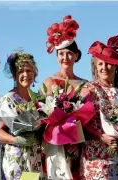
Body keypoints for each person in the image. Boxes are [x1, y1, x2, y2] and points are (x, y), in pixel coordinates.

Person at [79, 35, 118, 180]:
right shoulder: (89, 89)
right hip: (96, 155)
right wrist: (101, 136)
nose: (104, 68)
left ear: (115, 66)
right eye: (100, 64)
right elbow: (80, 121)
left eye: (108, 63)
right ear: (95, 66)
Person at [42, 15, 87, 180]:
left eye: (69, 53)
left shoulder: (85, 84)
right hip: (55, 144)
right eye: (61, 54)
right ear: (56, 56)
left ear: (76, 56)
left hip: (79, 145)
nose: (65, 58)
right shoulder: (49, 81)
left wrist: (77, 140)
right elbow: (46, 115)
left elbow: (87, 116)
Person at [0, 49, 43, 180]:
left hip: (35, 160)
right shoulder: (8, 99)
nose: (25, 74)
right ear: (14, 75)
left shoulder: (39, 100)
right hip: (16, 161)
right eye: (21, 71)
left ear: (34, 73)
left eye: (29, 70)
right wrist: (16, 140)